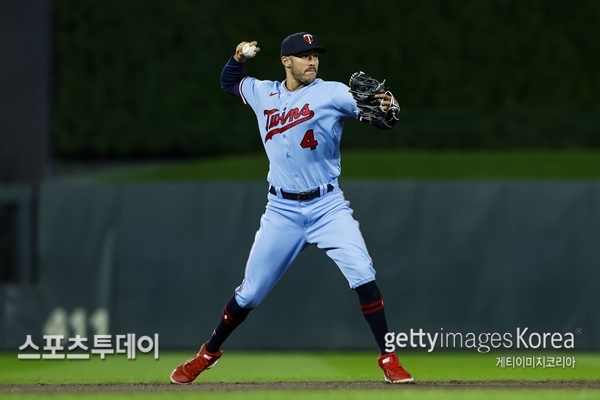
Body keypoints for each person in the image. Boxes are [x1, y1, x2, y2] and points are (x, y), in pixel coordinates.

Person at [170, 32, 414, 385]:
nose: (312, 61)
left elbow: (373, 112)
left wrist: (384, 105)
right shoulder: (263, 92)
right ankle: (207, 354)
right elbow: (229, 82)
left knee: (363, 273)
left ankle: (389, 358)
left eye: (315, 55)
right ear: (287, 61)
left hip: (327, 205)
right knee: (249, 293)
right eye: (303, 56)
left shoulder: (331, 92)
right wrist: (238, 57)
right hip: (281, 210)